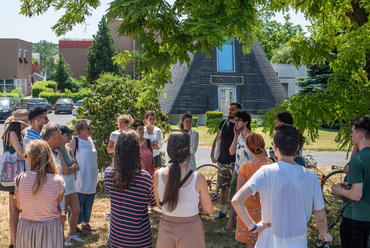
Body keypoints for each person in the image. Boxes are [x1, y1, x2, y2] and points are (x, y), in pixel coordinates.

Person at [232, 124, 332, 247]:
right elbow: (320, 216)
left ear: (275, 147)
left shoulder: (265, 172)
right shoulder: (311, 177)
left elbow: (236, 200)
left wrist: (252, 227)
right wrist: (324, 234)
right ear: (298, 147)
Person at [154, 130, 212, 248]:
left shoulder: (157, 175)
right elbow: (208, 209)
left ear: (169, 150)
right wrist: (195, 206)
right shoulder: (198, 178)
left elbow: (159, 205)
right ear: (188, 150)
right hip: (191, 228)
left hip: (165, 227)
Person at [105, 131, 156, 248]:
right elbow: (153, 202)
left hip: (116, 239)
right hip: (140, 239)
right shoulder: (145, 178)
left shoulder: (108, 174)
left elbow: (111, 193)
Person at [14, 139, 66, 248]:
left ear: (31, 157)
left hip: (27, 228)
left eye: (26, 155)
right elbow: (57, 204)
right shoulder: (58, 181)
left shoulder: (20, 179)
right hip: (50, 228)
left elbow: (19, 206)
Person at [331, 116, 370, 248]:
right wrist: (349, 185)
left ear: (360, 135)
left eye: (352, 132)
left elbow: (356, 195)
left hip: (355, 220)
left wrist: (339, 191)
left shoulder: (357, 160)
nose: (351, 135)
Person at [216, 110, 253, 233]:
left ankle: (244, 227)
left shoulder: (252, 137)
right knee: (234, 200)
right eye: (235, 120)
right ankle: (230, 226)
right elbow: (231, 151)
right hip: (238, 173)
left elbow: (261, 154)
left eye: (238, 120)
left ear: (246, 122)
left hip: (250, 175)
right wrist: (236, 137)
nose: (236, 123)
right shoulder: (238, 137)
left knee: (248, 201)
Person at [235, 133, 270, 247]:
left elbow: (239, 190)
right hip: (267, 207)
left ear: (248, 148)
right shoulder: (272, 164)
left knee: (250, 241)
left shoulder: (245, 167)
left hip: (249, 209)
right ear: (263, 145)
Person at [0, 109, 29, 248]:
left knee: (16, 210)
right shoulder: (11, 133)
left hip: (15, 175)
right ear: (19, 123)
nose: (26, 126)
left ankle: (14, 242)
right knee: (13, 211)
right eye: (25, 124)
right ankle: (14, 243)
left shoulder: (16, 133)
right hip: (13, 176)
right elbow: (21, 153)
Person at [210, 102, 241, 219]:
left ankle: (237, 214)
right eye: (229, 109)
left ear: (238, 111)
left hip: (235, 162)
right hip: (222, 160)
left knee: (236, 189)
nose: (230, 111)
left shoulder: (241, 126)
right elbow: (216, 139)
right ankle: (222, 212)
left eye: (233, 109)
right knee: (223, 187)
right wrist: (212, 153)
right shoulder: (224, 123)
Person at [68, 119, 99, 232]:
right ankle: (74, 226)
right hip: (80, 177)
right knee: (77, 202)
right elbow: (68, 158)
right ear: (81, 130)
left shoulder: (90, 140)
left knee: (89, 201)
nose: (90, 129)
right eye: (88, 128)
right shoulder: (75, 141)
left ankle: (85, 223)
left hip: (91, 177)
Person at [57, 125, 84, 245]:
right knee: (64, 213)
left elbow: (77, 166)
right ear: (60, 135)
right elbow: (66, 170)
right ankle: (62, 239)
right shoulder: (57, 150)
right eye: (67, 134)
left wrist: (71, 168)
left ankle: (72, 235)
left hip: (71, 184)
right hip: (63, 184)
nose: (69, 136)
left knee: (76, 210)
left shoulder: (68, 149)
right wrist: (71, 168)